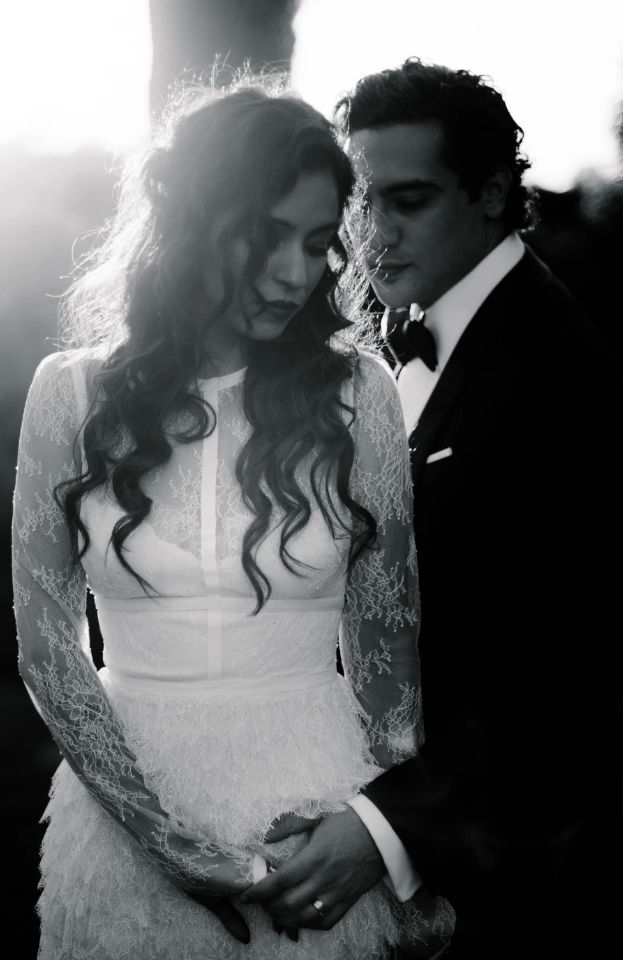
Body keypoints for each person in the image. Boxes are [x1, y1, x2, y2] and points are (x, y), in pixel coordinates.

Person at [12, 73, 454, 959]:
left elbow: (385, 644)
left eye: (319, 243)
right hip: (123, 828)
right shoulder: (70, 393)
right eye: (266, 238)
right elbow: (49, 647)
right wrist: (167, 842)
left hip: (317, 820)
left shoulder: (359, 394)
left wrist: (387, 843)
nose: (297, 273)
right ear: (191, 223)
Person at [242, 59, 622, 959]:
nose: (373, 235)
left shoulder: (557, 376)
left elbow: (559, 672)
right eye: (361, 205)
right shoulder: (387, 343)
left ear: (492, 194)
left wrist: (387, 828)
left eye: (407, 202)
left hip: (506, 885)